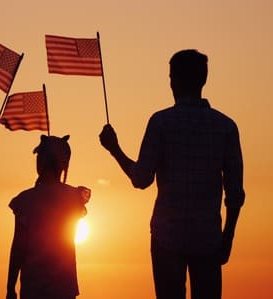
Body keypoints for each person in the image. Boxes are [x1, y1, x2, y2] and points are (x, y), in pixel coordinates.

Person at [99, 49, 245, 299]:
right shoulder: (226, 126)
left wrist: (115, 150)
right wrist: (228, 236)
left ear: (174, 80)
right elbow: (234, 192)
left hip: (167, 237)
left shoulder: (161, 123)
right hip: (208, 237)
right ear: (203, 80)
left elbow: (141, 179)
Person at [6, 135, 91, 299]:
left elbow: (18, 246)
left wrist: (10, 286)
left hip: (34, 285)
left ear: (41, 163)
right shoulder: (73, 197)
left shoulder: (26, 200)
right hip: (64, 286)